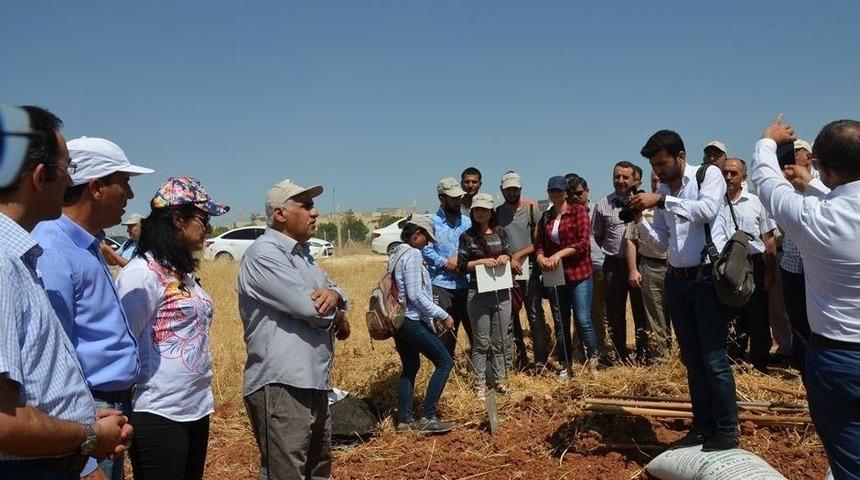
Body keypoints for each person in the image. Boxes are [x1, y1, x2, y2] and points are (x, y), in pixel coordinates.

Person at [0, 105, 131, 479]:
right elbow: (4, 423)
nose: (71, 181)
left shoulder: (19, 256)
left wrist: (83, 417)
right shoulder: (3, 263)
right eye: (67, 168)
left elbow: (35, 377)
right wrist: (89, 437)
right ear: (41, 177)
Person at [32, 135, 153, 480]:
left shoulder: (85, 244)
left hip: (106, 409)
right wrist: (84, 461)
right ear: (97, 187)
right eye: (124, 183)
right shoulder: (53, 250)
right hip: (87, 411)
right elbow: (50, 361)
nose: (130, 195)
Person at [752, 117, 860, 479]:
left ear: (822, 167)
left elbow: (766, 181)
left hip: (838, 359)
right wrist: (814, 185)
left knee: (848, 460)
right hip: (836, 358)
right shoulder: (818, 207)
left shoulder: (813, 218)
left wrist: (768, 140)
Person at [632, 129, 739, 451]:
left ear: (680, 157)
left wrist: (662, 199)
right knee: (691, 359)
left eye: (662, 163)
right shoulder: (664, 190)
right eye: (654, 165)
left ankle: (727, 429)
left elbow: (706, 211)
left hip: (706, 278)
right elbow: (663, 242)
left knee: (714, 358)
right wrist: (641, 221)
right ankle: (702, 427)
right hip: (677, 279)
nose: (658, 171)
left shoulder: (708, 175)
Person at [116, 177, 229, 479]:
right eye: (203, 219)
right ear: (178, 220)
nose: (208, 228)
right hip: (157, 412)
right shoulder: (141, 275)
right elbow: (124, 343)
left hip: (194, 408)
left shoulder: (179, 273)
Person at [238, 179, 350, 480]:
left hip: (312, 380)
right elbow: (309, 308)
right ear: (280, 214)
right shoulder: (264, 254)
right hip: (282, 384)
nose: (315, 213)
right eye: (306, 206)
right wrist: (337, 312)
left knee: (318, 469)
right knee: (285, 473)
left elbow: (336, 291)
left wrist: (337, 298)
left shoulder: (303, 256)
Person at [389, 215, 455, 433]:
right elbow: (416, 295)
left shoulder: (396, 253)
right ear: (416, 234)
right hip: (410, 319)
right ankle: (428, 416)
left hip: (398, 321)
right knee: (444, 361)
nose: (427, 243)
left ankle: (405, 420)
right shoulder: (414, 254)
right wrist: (442, 315)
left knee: (410, 367)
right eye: (426, 238)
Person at [535, 176, 597, 379]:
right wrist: (540, 257)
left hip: (579, 272)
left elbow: (582, 244)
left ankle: (592, 363)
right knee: (561, 322)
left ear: (566, 193)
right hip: (556, 274)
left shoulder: (578, 211)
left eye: (559, 191)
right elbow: (541, 243)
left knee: (583, 319)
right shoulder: (546, 216)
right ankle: (566, 365)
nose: (555, 194)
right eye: (551, 191)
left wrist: (559, 254)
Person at [719, 158, 777, 373]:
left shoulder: (756, 202)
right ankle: (734, 360)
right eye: (725, 173)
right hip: (726, 267)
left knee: (758, 316)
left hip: (754, 265)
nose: (728, 177)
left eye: (734, 173)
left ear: (744, 177)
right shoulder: (714, 203)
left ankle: (760, 364)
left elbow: (769, 239)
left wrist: (770, 271)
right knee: (731, 315)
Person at [458, 192, 513, 399]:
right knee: (481, 342)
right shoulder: (467, 236)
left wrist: (503, 257)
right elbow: (462, 265)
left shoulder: (501, 232)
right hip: (478, 293)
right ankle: (479, 383)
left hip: (501, 291)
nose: (480, 213)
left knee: (499, 341)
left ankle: (499, 380)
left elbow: (509, 253)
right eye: (476, 210)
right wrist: (481, 262)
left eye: (484, 209)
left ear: (491, 211)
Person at [592, 161, 648, 362]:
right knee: (615, 313)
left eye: (625, 177)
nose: (621, 181)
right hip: (613, 265)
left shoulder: (644, 202)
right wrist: (615, 250)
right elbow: (598, 236)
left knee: (641, 311)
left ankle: (643, 353)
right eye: (617, 176)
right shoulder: (602, 205)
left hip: (641, 264)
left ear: (635, 179)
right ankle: (620, 354)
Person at [496, 171, 548, 370]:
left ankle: (540, 360)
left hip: (531, 270)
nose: (512, 192)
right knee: (510, 317)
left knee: (535, 314)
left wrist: (518, 255)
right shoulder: (497, 213)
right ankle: (519, 359)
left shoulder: (532, 210)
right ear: (502, 190)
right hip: (507, 272)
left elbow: (538, 241)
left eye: (515, 189)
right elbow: (495, 243)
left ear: (520, 189)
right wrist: (509, 259)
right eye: (508, 189)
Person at [777, 138, 817, 371]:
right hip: (792, 264)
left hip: (816, 264)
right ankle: (802, 364)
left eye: (796, 154)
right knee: (797, 318)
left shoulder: (823, 184)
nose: (791, 159)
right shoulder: (785, 185)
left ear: (808, 157)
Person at [624, 171, 671, 362]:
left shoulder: (676, 205)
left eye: (661, 180)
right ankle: (661, 359)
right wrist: (633, 269)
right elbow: (631, 240)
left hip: (677, 267)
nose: (657, 184)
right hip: (651, 266)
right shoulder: (641, 208)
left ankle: (684, 358)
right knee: (655, 317)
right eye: (654, 180)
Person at [423, 177, 473, 356]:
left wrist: (459, 259)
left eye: (459, 197)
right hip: (441, 285)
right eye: (453, 198)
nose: (458, 201)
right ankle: (446, 371)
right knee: (445, 333)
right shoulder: (430, 222)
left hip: (466, 284)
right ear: (442, 198)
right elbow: (425, 249)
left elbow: (475, 247)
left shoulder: (468, 222)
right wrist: (444, 262)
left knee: (474, 330)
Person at [566, 174, 611, 362]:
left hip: (598, 264)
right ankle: (578, 349)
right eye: (571, 194)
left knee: (598, 311)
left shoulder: (597, 210)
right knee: (579, 313)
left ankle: (600, 348)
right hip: (577, 268)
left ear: (587, 191)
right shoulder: (566, 214)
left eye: (579, 193)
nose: (576, 197)